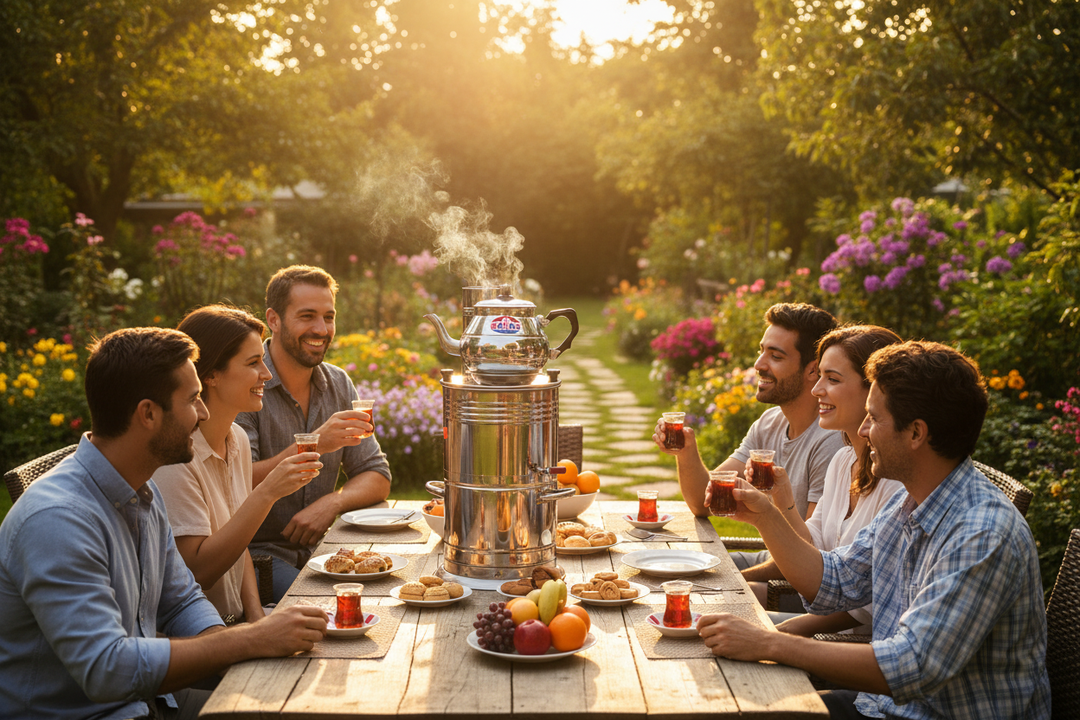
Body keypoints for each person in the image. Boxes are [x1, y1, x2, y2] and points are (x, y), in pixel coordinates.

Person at [697, 341, 1051, 719]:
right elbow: (834, 580)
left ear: (916, 433)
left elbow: (912, 664)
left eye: (874, 418)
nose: (863, 431)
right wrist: (764, 515)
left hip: (931, 712)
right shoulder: (910, 503)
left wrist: (770, 643)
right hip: (885, 705)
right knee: (723, 694)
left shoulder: (982, 533)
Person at [0, 328, 328, 719]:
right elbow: (106, 669)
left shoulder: (141, 491)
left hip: (150, 703)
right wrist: (246, 641)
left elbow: (182, 599)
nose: (203, 412)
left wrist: (238, 646)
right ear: (148, 414)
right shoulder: (58, 519)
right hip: (94, 712)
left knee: (312, 700)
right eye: (192, 401)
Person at [155, 305, 323, 621]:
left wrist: (256, 617)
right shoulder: (176, 457)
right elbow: (198, 571)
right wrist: (267, 493)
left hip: (237, 622)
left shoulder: (237, 439)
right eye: (253, 363)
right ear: (211, 376)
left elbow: (239, 543)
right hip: (200, 639)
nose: (267, 374)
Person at [237, 265, 392, 601]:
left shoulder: (338, 383)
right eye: (307, 316)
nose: (321, 329)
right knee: (322, 606)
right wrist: (315, 444)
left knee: (391, 593)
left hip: (326, 550)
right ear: (274, 320)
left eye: (328, 317)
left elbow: (376, 474)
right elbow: (233, 480)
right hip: (256, 556)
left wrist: (332, 502)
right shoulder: (246, 382)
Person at [654, 302, 844, 573]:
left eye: (775, 356)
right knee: (666, 562)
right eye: (761, 351)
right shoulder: (769, 424)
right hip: (767, 561)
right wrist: (686, 451)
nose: (758, 365)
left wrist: (733, 582)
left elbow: (810, 557)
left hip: (796, 585)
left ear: (813, 370)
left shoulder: (830, 441)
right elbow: (702, 501)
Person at [739, 325, 905, 634]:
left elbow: (862, 610)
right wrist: (782, 499)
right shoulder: (843, 462)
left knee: (722, 612)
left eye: (833, 379)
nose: (816, 390)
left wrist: (778, 635)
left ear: (875, 391)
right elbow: (812, 549)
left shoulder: (898, 483)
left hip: (849, 644)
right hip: (818, 615)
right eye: (820, 377)